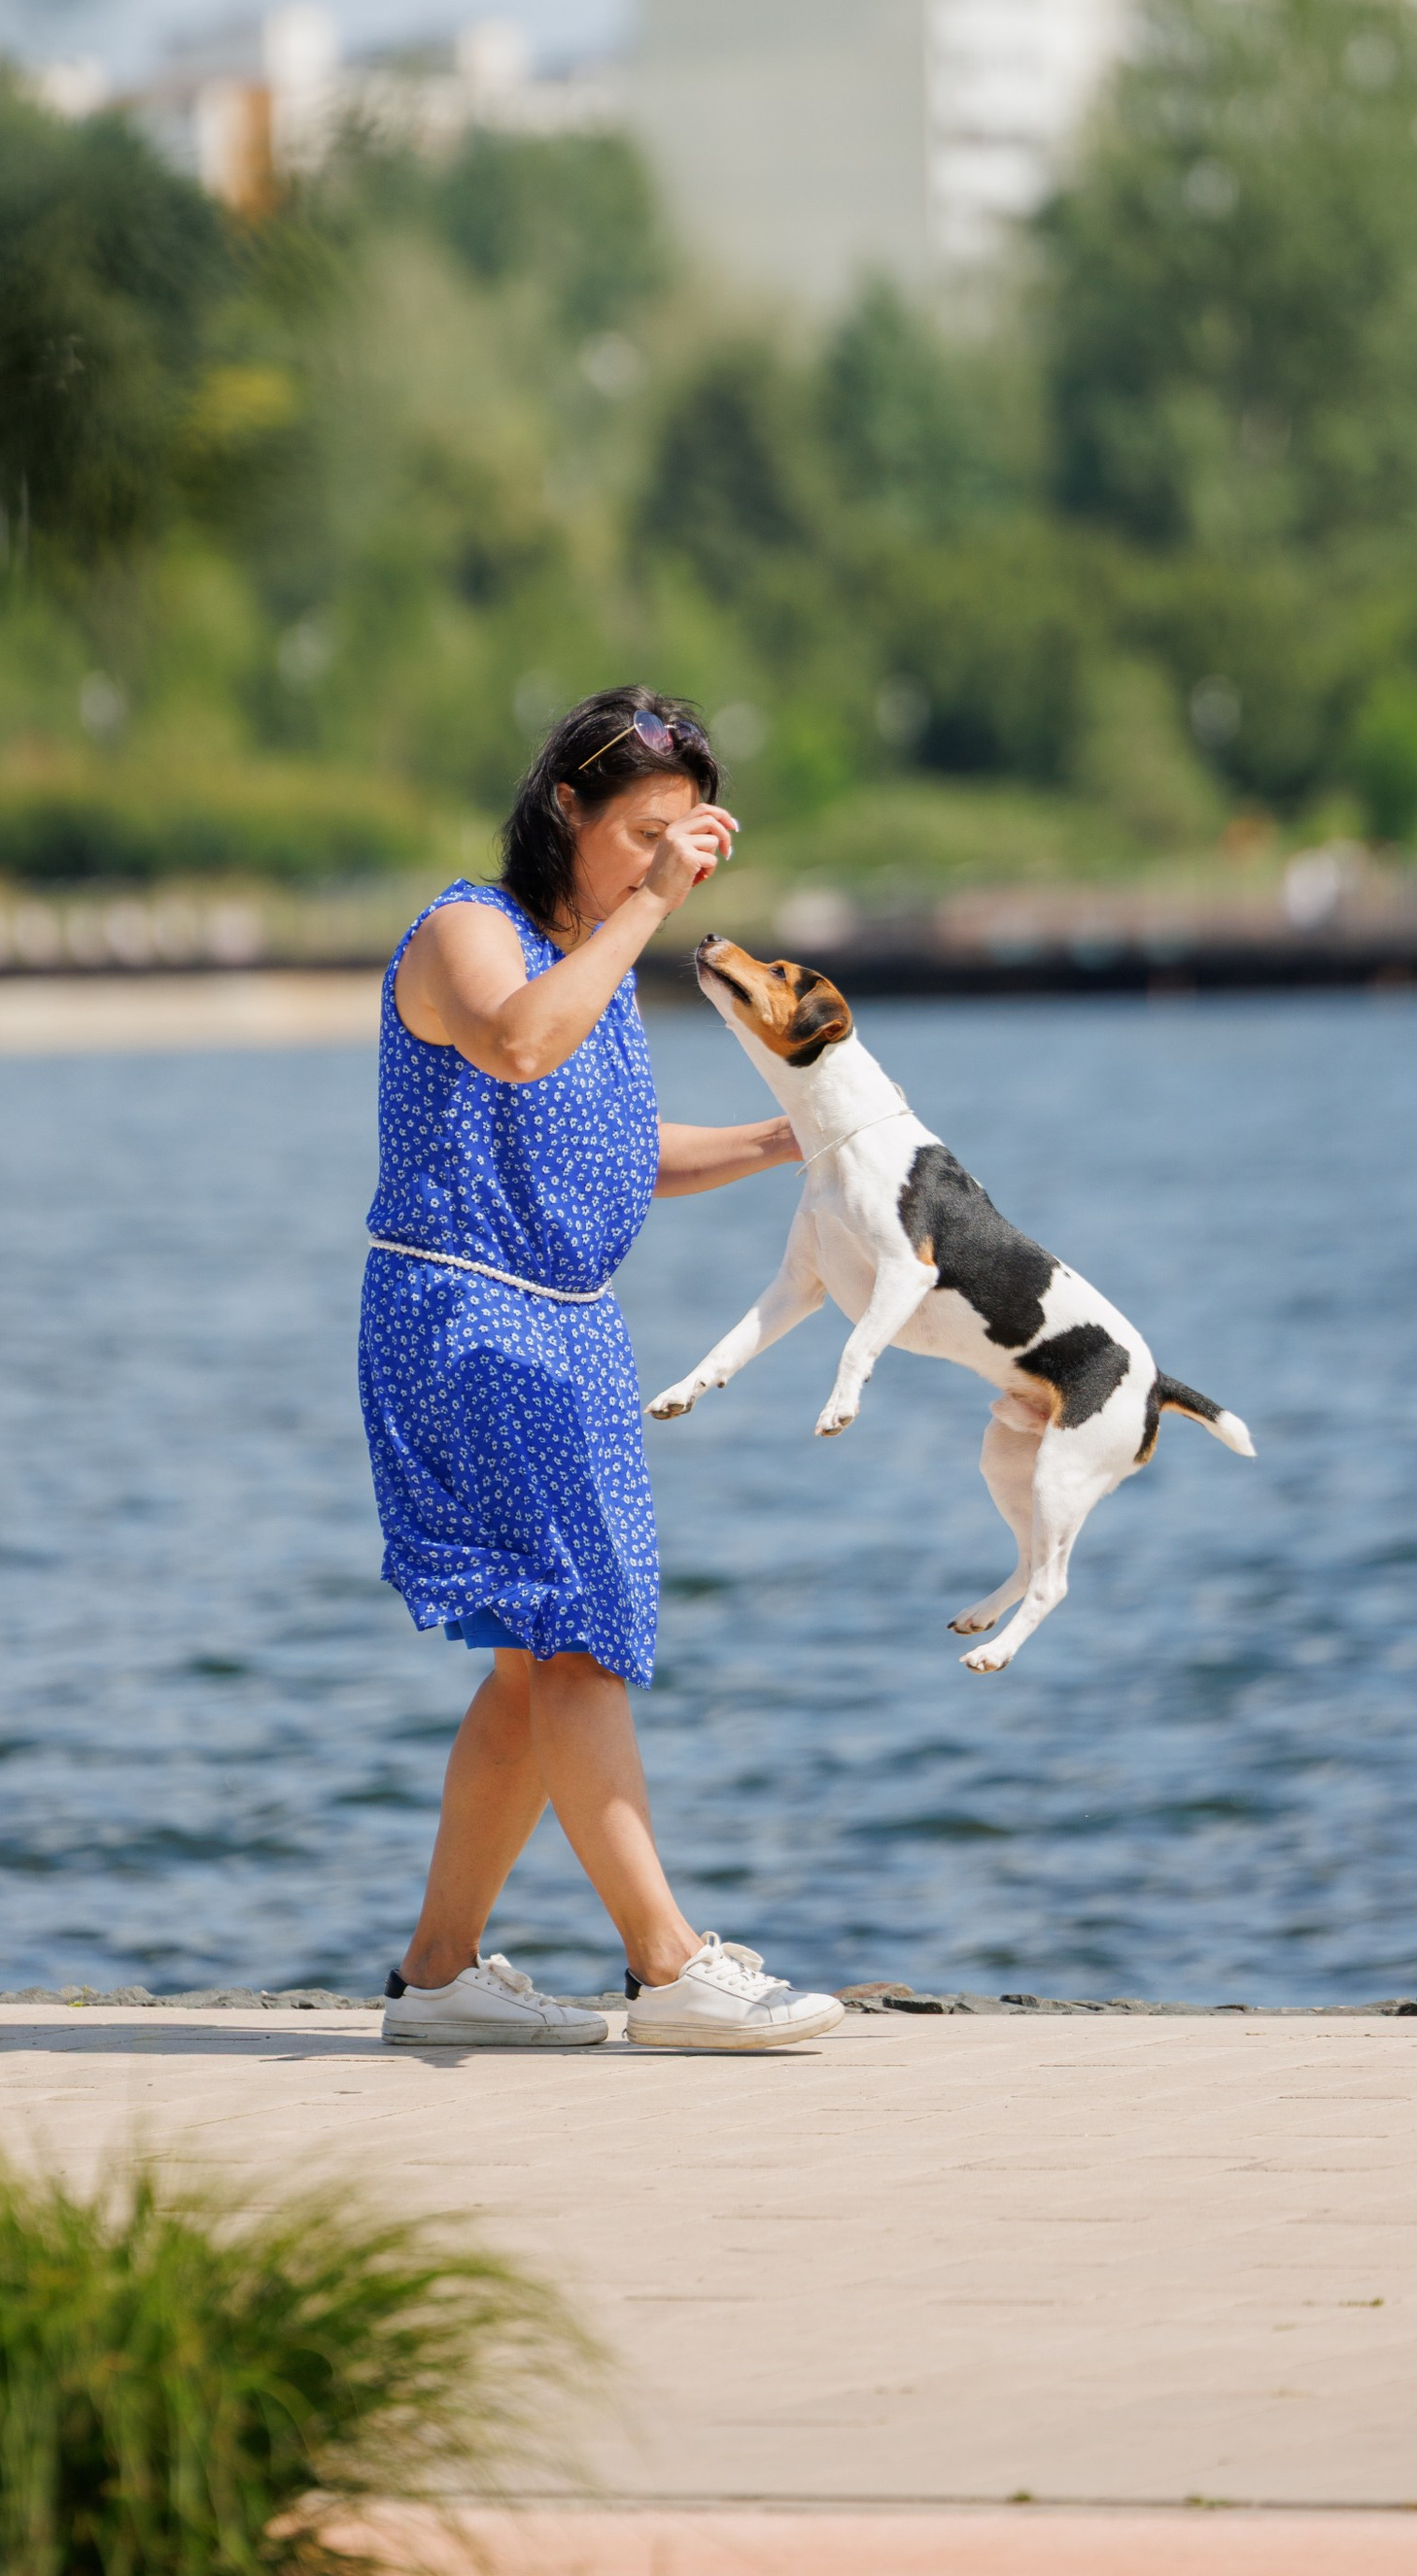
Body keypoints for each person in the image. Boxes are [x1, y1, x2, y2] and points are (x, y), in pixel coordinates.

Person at [361, 686, 846, 2053]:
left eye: (676, 843)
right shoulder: (469, 929)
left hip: (569, 1329)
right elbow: (517, 1040)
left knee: (539, 1662)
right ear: (563, 805)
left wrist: (793, 1136)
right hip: (473, 1315)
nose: (656, 868)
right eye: (640, 835)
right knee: (579, 1634)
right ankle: (667, 1964)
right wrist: (651, 909)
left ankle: (439, 1975)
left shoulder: (598, 966)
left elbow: (622, 1157)